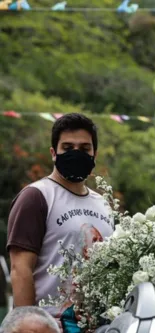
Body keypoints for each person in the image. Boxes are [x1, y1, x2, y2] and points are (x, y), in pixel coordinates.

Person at [7, 113, 114, 332]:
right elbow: (21, 269)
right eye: (68, 147)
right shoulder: (37, 196)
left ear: (95, 154)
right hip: (53, 325)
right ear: (54, 153)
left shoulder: (103, 204)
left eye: (85, 149)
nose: (76, 153)